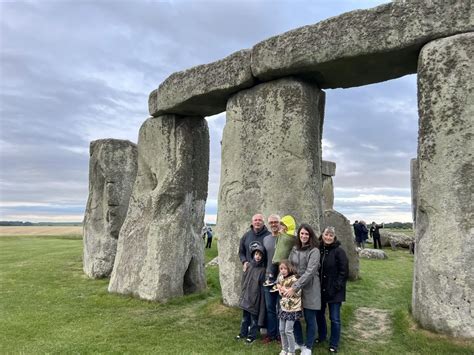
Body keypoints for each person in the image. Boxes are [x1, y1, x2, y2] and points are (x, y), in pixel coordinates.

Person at [287, 223, 321, 355]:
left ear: (310, 235)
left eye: (306, 234)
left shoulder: (314, 251)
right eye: (302, 233)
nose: (304, 236)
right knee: (294, 316)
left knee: (309, 318)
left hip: (310, 287)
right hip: (295, 285)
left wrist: (294, 287)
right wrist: (284, 282)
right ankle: (299, 342)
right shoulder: (295, 248)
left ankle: (308, 346)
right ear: (299, 234)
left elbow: (310, 271)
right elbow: (289, 265)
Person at [316, 227, 349, 353]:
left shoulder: (339, 251)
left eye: (331, 235)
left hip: (335, 290)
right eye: (326, 234)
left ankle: (334, 343)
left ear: (334, 237)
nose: (328, 237)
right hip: (320, 288)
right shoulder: (319, 249)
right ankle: (322, 336)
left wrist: (337, 286)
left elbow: (344, 271)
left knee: (334, 318)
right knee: (320, 314)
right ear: (322, 235)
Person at [236, 242, 266, 344]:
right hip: (246, 296)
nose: (258, 257)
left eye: (260, 255)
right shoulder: (249, 266)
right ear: (253, 254)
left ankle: (251, 335)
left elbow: (261, 286)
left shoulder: (262, 270)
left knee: (254, 319)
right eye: (256, 254)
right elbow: (244, 281)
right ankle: (242, 333)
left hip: (255, 298)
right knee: (245, 318)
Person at [262, 214, 282, 344]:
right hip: (268, 277)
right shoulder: (266, 239)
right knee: (270, 307)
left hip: (282, 278)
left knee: (281, 308)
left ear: (279, 223)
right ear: (268, 224)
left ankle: (281, 334)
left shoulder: (284, 238)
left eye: (276, 222)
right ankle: (271, 333)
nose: (273, 224)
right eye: (271, 222)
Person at [275, 260, 302, 355]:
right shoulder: (281, 278)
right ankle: (284, 349)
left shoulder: (295, 279)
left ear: (289, 268)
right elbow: (280, 291)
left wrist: (285, 289)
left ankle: (291, 351)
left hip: (293, 308)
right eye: (281, 269)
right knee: (281, 329)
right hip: (284, 307)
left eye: (285, 268)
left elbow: (298, 293)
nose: (283, 270)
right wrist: (280, 290)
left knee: (288, 330)